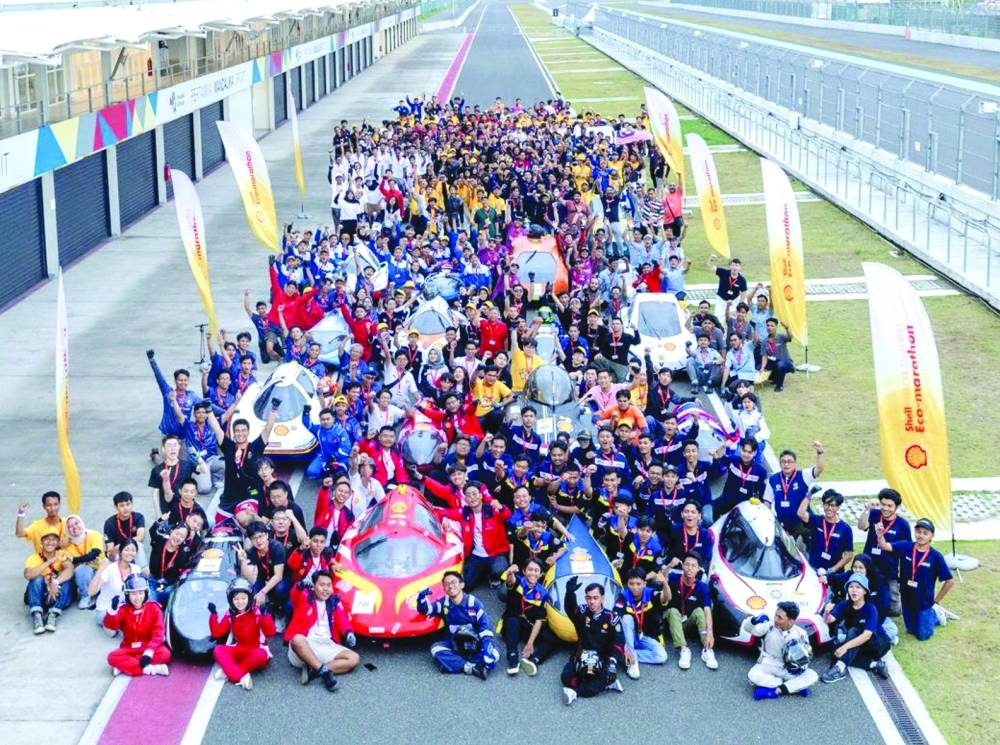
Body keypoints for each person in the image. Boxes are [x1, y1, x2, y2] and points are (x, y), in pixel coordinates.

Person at [876, 518, 955, 641]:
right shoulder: (906, 546)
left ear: (932, 536)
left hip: (924, 602)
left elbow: (949, 581)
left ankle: (935, 613)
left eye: (925, 533)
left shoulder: (936, 556)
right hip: (907, 600)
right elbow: (884, 546)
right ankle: (926, 617)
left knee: (923, 636)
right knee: (910, 630)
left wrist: (937, 600)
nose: (921, 535)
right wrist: (880, 534)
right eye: (918, 531)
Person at [284, 570, 360, 690]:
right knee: (297, 639)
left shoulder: (333, 602)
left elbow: (342, 620)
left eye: (328, 585)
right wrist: (299, 585)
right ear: (313, 586)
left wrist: (348, 633)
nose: (326, 589)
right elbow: (295, 594)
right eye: (322, 585)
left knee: (354, 658)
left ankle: (315, 671)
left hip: (327, 644)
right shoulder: (305, 597)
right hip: (306, 644)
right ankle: (325, 673)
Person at [416, 571, 500, 679]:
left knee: (495, 653)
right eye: (446, 584)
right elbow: (427, 610)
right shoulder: (444, 603)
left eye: (454, 582)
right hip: (455, 645)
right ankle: (470, 668)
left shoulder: (474, 603)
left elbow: (486, 629)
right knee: (435, 649)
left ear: (462, 585)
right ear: (444, 588)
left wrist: (487, 649)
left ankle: (452, 665)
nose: (450, 586)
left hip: (475, 644)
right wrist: (422, 598)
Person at [560, 576, 623, 704]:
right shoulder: (582, 612)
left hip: (602, 658)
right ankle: (605, 684)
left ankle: (576, 692)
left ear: (602, 598)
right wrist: (570, 593)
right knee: (565, 677)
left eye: (595, 598)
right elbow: (570, 608)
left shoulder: (611, 618)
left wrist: (612, 663)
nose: (592, 602)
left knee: (590, 688)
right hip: (581, 654)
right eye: (588, 598)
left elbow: (619, 643)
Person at [820, 573, 891, 682]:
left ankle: (840, 668)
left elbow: (867, 635)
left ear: (865, 591)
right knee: (835, 652)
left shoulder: (871, 608)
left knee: (854, 631)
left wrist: (845, 647)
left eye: (858, 587)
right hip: (860, 644)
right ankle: (875, 664)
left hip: (878, 643)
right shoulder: (845, 604)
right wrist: (826, 612)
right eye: (851, 587)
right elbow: (829, 620)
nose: (854, 590)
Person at [208, 577, 277, 690]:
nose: (240, 602)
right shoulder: (230, 614)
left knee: (261, 655)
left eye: (243, 598)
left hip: (256, 649)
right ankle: (241, 676)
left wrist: (266, 616)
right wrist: (213, 615)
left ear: (249, 598)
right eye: (236, 599)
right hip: (240, 648)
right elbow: (217, 633)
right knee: (218, 650)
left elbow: (271, 633)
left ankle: (230, 673)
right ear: (231, 600)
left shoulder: (257, 612)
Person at [742, 601, 818, 699]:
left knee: (812, 675)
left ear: (791, 621)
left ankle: (777, 690)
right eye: (775, 615)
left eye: (780, 618)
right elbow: (747, 628)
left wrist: (800, 668)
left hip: (789, 669)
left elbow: (805, 657)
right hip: (769, 663)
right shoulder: (769, 626)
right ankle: (791, 686)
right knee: (752, 675)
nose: (775, 619)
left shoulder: (801, 634)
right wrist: (753, 621)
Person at [104, 574, 171, 676]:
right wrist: (112, 611)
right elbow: (111, 626)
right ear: (127, 595)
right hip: (129, 648)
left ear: (146, 593)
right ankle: (150, 669)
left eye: (141, 593)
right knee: (112, 657)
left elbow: (158, 633)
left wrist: (149, 652)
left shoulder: (154, 608)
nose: (138, 597)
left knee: (165, 654)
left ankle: (126, 667)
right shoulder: (123, 609)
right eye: (133, 594)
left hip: (148, 646)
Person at [858, 487, 911, 617]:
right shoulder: (875, 514)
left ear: (897, 507)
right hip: (869, 565)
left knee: (894, 609)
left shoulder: (902, 525)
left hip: (889, 569)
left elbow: (907, 548)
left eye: (889, 506)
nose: (885, 508)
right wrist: (867, 510)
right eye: (883, 504)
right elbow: (861, 526)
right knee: (865, 594)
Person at [500, 558, 557, 676]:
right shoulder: (518, 582)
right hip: (511, 626)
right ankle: (513, 659)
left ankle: (534, 660)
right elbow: (510, 582)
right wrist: (510, 573)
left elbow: (539, 620)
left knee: (553, 637)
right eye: (530, 569)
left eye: (536, 570)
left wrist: (530, 643)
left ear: (541, 574)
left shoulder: (543, 593)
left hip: (528, 627)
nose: (533, 573)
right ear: (524, 571)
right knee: (512, 621)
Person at [664, 551, 718, 670]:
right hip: (673, 621)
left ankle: (707, 648)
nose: (690, 568)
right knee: (672, 611)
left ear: (699, 569)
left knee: (700, 611)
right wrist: (668, 566)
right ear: (682, 565)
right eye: (687, 565)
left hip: (688, 621)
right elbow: (661, 579)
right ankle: (683, 649)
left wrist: (710, 633)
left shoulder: (702, 587)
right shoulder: (674, 578)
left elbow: (707, 610)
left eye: (694, 566)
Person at [615, 568, 670, 678]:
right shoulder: (623, 595)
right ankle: (632, 663)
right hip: (628, 637)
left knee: (662, 656)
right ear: (627, 584)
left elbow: (667, 597)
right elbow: (616, 618)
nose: (635, 587)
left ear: (644, 583)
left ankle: (627, 655)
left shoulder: (650, 593)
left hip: (644, 636)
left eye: (638, 584)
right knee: (626, 618)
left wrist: (664, 583)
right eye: (631, 584)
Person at [23, 528, 74, 634]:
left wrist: (56, 582)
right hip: (40, 595)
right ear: (41, 542)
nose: (50, 542)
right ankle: (37, 615)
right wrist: (49, 561)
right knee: (36, 579)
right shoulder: (34, 557)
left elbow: (70, 570)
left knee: (67, 582)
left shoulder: (62, 554)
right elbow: (28, 575)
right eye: (47, 539)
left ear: (57, 542)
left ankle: (53, 614)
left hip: (56, 595)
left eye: (54, 539)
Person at [87, 539, 142, 627]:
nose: (130, 553)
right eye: (127, 549)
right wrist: (101, 568)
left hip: (124, 608)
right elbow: (91, 592)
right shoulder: (111, 569)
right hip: (106, 609)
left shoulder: (136, 569)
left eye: (133, 550)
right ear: (120, 551)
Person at [798, 489, 854, 574]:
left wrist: (832, 570)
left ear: (838, 507)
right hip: (813, 569)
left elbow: (849, 555)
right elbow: (801, 514)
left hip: (833, 573)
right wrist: (809, 495)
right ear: (823, 505)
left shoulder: (845, 528)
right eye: (826, 505)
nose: (829, 508)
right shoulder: (817, 520)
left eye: (832, 505)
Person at [62, 514, 105, 610]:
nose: (74, 527)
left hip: (100, 572)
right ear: (67, 530)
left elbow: (95, 553)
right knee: (81, 570)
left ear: (81, 523)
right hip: (85, 577)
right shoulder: (67, 546)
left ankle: (101, 594)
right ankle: (86, 596)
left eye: (76, 523)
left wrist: (74, 559)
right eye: (70, 527)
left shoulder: (94, 535)